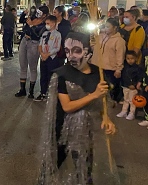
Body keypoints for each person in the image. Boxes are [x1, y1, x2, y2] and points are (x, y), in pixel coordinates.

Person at [37, 32, 116, 185]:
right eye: (67, 51)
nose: (71, 56)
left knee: (84, 169)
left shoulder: (98, 74)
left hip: (86, 131)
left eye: (77, 51)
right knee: (52, 165)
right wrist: (94, 95)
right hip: (62, 131)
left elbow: (102, 104)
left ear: (89, 52)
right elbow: (67, 106)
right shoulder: (62, 75)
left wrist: (107, 119)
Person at [15, 5, 49, 98]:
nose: (38, 13)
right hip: (24, 40)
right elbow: (22, 21)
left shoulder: (45, 24)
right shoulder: (33, 17)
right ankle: (22, 90)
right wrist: (23, 14)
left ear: (45, 15)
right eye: (38, 11)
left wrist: (31, 25)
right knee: (23, 65)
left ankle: (31, 91)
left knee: (33, 67)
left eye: (40, 12)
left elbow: (38, 35)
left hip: (34, 43)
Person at [90, 18, 125, 103]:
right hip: (97, 65)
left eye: (108, 27)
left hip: (109, 68)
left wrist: (118, 69)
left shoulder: (119, 40)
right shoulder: (101, 36)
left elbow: (120, 55)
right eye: (105, 26)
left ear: (115, 28)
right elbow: (94, 47)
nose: (105, 28)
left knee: (108, 88)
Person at [35, 15, 62, 102]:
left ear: (53, 24)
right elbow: (40, 44)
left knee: (51, 76)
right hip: (43, 57)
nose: (46, 25)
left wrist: (47, 54)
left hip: (52, 58)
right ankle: (43, 93)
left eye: (48, 23)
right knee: (43, 76)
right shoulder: (44, 33)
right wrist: (42, 54)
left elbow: (57, 48)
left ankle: (51, 94)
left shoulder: (57, 34)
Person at [116, 50, 143, 120]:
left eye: (132, 58)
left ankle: (132, 113)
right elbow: (124, 76)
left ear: (136, 58)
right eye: (128, 59)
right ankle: (124, 111)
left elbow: (139, 77)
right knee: (126, 99)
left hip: (133, 88)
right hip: (125, 86)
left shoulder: (137, 68)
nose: (130, 60)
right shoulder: (124, 67)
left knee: (132, 100)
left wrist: (135, 85)